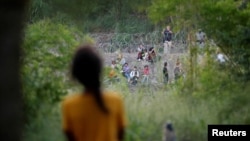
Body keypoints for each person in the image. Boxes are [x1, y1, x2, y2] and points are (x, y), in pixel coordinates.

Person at [61, 44, 127, 141]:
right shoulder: (115, 100)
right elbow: (120, 135)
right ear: (99, 70)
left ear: (76, 74)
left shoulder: (69, 105)